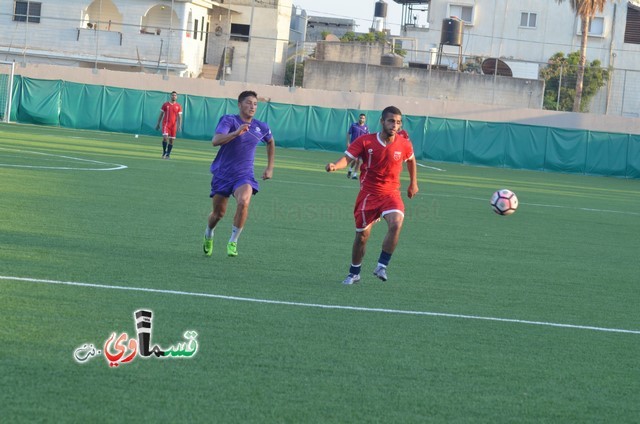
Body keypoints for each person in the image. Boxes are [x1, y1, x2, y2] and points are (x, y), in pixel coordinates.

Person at [326, 106, 419, 284]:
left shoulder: (404, 143)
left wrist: (413, 183)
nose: (395, 125)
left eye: (398, 122)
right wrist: (335, 166)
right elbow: (348, 158)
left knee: (396, 223)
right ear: (382, 121)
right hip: (368, 195)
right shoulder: (365, 141)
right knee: (362, 237)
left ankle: (382, 265)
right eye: (391, 121)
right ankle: (354, 272)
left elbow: (412, 159)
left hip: (391, 193)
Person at [203, 90, 275, 257]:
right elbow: (215, 141)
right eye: (249, 103)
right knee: (218, 214)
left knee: (244, 201)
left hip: (244, 175)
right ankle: (208, 233)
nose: (252, 106)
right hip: (223, 174)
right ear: (240, 104)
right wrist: (236, 133)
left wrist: (270, 167)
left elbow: (270, 142)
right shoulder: (229, 120)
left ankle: (233, 241)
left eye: (255, 104)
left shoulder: (261, 126)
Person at [156, 91, 183, 159]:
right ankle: (164, 152)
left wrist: (179, 125)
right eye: (172, 95)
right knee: (165, 138)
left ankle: (168, 154)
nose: (174, 96)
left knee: (171, 141)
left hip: (173, 126)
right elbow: (161, 115)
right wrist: (158, 123)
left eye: (175, 95)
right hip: (166, 124)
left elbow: (179, 117)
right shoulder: (165, 105)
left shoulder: (178, 106)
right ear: (170, 96)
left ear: (176, 97)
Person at [346, 113, 369, 179]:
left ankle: (354, 175)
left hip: (362, 146)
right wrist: (348, 142)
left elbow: (367, 137)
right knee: (355, 159)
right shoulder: (354, 125)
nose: (362, 119)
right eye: (361, 118)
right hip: (354, 146)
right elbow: (348, 133)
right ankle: (350, 169)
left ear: (365, 119)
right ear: (358, 118)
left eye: (363, 118)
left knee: (359, 161)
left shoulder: (366, 127)